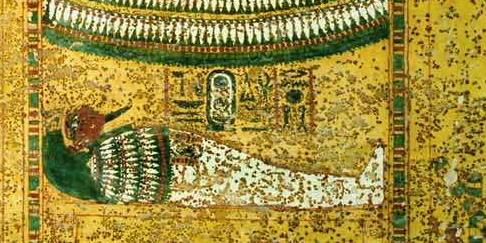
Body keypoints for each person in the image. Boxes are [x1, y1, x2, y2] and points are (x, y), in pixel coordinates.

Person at [41, 104, 385, 209]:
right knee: (272, 184)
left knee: (271, 181)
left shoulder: (98, 156)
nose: (94, 121)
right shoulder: (98, 166)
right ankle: (359, 192)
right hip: (190, 172)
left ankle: (357, 190)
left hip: (191, 165)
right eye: (85, 121)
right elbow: (161, 167)